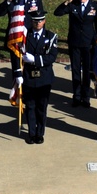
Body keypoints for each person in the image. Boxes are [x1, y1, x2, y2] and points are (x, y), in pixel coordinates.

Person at [54, 0, 97, 107]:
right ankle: (77, 95)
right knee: (75, 70)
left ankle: (85, 97)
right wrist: (67, 2)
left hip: (88, 43)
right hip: (74, 42)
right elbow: (57, 13)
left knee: (86, 71)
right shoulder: (73, 5)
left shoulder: (95, 6)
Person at [17, 11, 59, 144]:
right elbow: (17, 55)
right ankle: (31, 133)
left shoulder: (51, 37)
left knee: (41, 107)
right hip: (29, 76)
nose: (37, 23)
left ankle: (40, 133)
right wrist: (18, 73)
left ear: (44, 21)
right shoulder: (25, 35)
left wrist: (34, 59)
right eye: (35, 21)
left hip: (44, 78)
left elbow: (51, 57)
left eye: (40, 21)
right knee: (30, 106)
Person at [0, 0, 45, 73]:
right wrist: (8, 1)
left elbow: (41, 19)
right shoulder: (12, 1)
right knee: (16, 66)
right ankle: (17, 86)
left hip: (30, 37)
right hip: (16, 38)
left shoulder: (36, 1)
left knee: (30, 65)